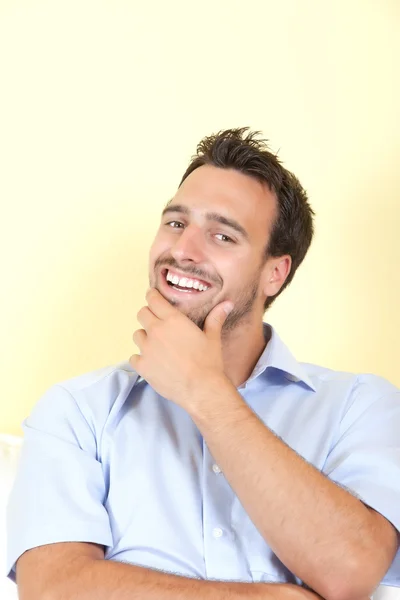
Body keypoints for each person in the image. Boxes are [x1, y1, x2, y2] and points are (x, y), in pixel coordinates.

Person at [6, 128, 400, 600]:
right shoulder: (78, 411)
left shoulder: (359, 405)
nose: (183, 251)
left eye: (222, 235)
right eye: (175, 223)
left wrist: (206, 393)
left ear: (275, 273)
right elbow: (51, 587)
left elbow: (351, 570)